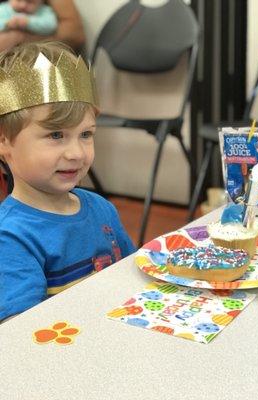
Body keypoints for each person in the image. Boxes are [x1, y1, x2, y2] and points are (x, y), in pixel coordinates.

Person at [0, 41, 135, 322]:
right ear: (4, 141)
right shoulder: (11, 236)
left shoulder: (101, 209)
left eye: (86, 134)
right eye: (56, 135)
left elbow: (131, 276)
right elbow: (21, 333)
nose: (76, 153)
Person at [0, 0, 85, 52]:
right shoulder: (5, 8)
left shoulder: (44, 12)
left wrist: (21, 35)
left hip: (33, 59)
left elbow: (74, 35)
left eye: (30, 2)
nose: (23, 5)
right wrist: (6, 24)